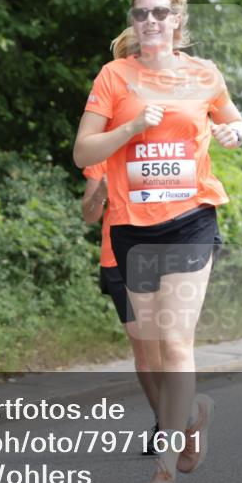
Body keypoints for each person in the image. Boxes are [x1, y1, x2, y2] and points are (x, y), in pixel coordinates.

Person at [73, 0, 242, 483]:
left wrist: (233, 132)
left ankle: (163, 475)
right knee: (150, 348)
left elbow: (234, 123)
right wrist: (128, 130)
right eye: (141, 13)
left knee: (174, 342)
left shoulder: (204, 74)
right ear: (134, 21)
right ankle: (193, 416)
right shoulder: (114, 76)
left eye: (159, 13)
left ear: (177, 21)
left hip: (191, 218)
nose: (150, 21)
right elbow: (83, 153)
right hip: (130, 228)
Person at [81, 162, 160, 452]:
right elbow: (90, 216)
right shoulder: (101, 157)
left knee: (166, 342)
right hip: (117, 259)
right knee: (142, 343)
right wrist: (101, 192)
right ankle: (163, 420)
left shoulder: (157, 149)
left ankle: (178, 416)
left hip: (160, 255)